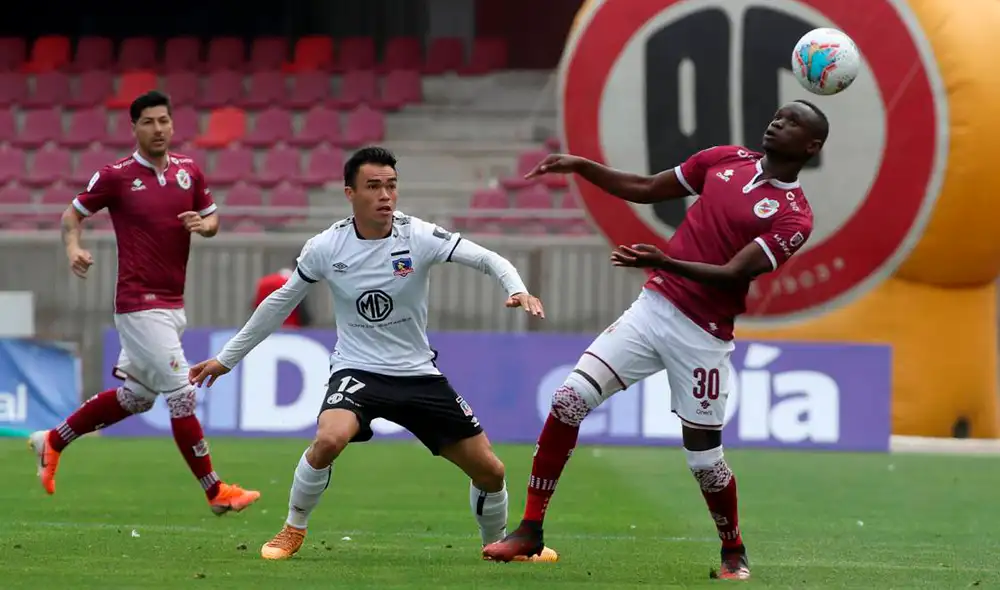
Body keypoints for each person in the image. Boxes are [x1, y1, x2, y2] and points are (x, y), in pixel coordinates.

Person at [483, 100, 828, 580]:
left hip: (703, 335)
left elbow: (734, 273)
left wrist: (664, 261)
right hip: (653, 309)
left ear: (811, 146)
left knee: (705, 461)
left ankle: (733, 551)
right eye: (778, 116)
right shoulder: (724, 159)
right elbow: (646, 189)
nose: (777, 123)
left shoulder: (794, 218)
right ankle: (530, 530)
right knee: (568, 399)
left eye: (791, 123)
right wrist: (583, 166)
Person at [188, 146, 559, 562]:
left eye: (391, 185)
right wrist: (227, 358)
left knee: (491, 471)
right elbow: (278, 304)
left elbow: (488, 258)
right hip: (358, 370)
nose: (385, 195)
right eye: (374, 186)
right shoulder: (327, 246)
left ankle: (500, 545)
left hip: (417, 374)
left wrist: (516, 289)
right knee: (328, 439)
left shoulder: (417, 236)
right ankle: (292, 528)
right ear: (350, 193)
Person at [28, 90, 261, 515]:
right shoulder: (116, 176)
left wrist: (204, 226)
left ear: (173, 124)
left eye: (164, 121)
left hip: (172, 304)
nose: (158, 129)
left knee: (137, 397)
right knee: (181, 393)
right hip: (138, 303)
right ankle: (215, 492)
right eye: (149, 122)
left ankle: (53, 440)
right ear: (134, 127)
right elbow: (72, 215)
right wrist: (73, 249)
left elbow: (212, 219)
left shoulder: (189, 171)